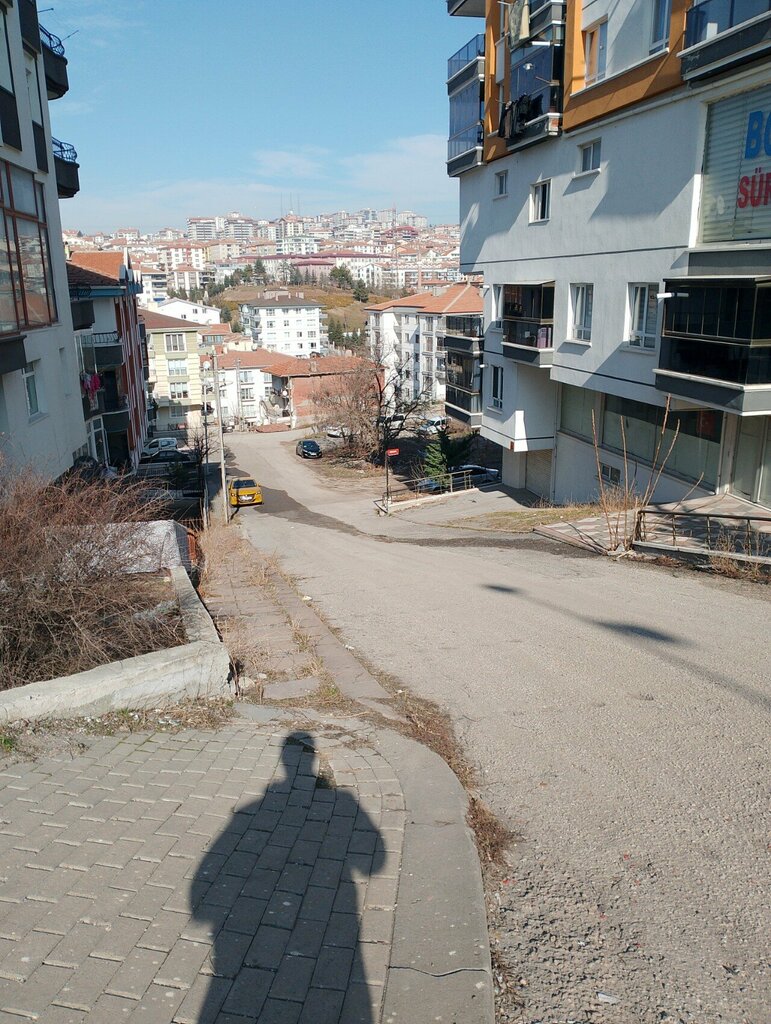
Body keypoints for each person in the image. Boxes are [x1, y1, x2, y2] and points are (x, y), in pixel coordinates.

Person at [191, 731, 385, 1022]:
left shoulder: (253, 806)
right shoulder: (343, 799)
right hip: (341, 912)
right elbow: (376, 863)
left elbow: (200, 898)